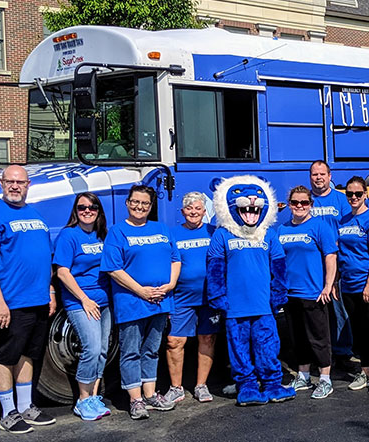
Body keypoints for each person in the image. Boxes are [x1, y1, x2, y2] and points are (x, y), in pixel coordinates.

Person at [0, 165, 57, 434]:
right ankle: (7, 412)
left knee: (27, 354)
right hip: (10, 302)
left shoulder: (35, 216)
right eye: (9, 181)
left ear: (28, 184)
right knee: (4, 355)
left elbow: (43, 257)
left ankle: (26, 407)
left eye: (19, 182)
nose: (14, 186)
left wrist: (51, 292)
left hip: (38, 300)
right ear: (1, 184)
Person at [207, 174, 295, 406]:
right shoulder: (222, 235)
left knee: (267, 345)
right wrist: (218, 298)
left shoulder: (269, 234)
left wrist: (278, 296)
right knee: (239, 348)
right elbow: (215, 269)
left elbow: (279, 267)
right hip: (235, 307)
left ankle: (273, 384)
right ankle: (246, 385)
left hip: (263, 305)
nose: (252, 201)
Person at [102, 185, 181, 420]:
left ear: (151, 206)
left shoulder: (162, 229)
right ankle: (135, 399)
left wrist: (170, 285)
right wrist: (141, 291)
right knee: (131, 352)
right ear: (127, 203)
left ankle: (150, 394)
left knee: (152, 350)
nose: (139, 207)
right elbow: (113, 268)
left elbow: (175, 259)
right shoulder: (117, 232)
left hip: (160, 301)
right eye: (135, 202)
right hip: (131, 302)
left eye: (145, 203)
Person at [53, 193, 112, 421]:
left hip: (105, 301)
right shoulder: (69, 235)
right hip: (80, 302)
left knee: (103, 350)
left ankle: (94, 397)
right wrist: (84, 299)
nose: (87, 211)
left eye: (92, 207)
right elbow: (62, 272)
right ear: (75, 211)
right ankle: (82, 400)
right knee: (92, 348)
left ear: (99, 211)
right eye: (82, 207)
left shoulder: (102, 235)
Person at [278, 186, 338, 399]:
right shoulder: (282, 229)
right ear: (289, 205)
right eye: (295, 203)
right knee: (298, 338)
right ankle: (303, 375)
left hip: (313, 292)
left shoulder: (319, 226)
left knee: (319, 338)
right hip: (290, 293)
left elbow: (330, 257)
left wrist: (328, 286)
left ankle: (325, 379)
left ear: (311, 205)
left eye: (304, 202)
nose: (300, 206)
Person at [163, 192, 220, 404]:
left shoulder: (214, 232)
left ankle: (201, 386)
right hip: (181, 298)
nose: (193, 212)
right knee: (174, 341)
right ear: (182, 212)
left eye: (198, 209)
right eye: (189, 209)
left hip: (209, 297)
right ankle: (176, 388)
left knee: (207, 338)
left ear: (205, 212)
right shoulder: (172, 234)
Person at [337, 176, 369, 396]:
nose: (354, 197)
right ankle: (365, 371)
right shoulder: (343, 220)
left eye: (358, 194)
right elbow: (340, 254)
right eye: (350, 194)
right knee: (357, 330)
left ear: (365, 194)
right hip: (349, 284)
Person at [307, 160, 353, 364]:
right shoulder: (305, 201)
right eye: (315, 174)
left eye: (322, 174)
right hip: (312, 265)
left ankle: (343, 351)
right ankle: (320, 353)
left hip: (336, 262)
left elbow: (348, 229)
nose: (318, 178)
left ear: (329, 176)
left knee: (338, 310)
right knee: (316, 310)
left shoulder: (341, 200)